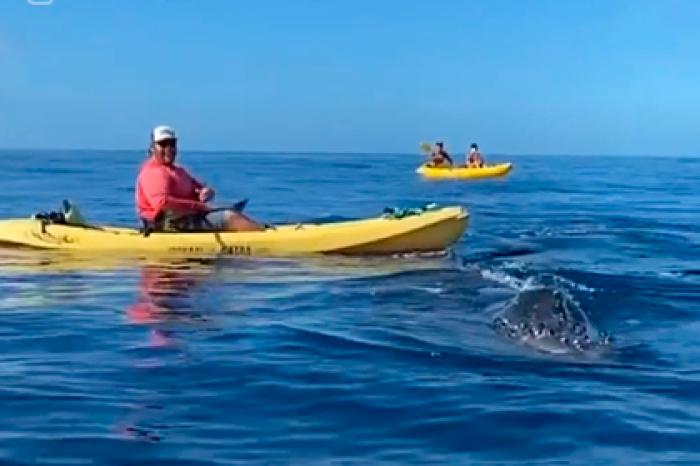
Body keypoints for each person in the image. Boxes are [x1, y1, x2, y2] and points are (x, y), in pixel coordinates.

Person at [135, 125, 265, 232]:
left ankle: (259, 231)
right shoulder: (152, 172)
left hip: (187, 217)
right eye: (163, 144)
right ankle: (264, 240)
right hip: (166, 224)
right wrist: (199, 206)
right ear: (152, 148)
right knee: (230, 217)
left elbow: (202, 188)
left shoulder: (178, 170)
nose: (168, 148)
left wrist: (207, 192)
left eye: (172, 143)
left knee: (232, 211)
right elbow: (162, 203)